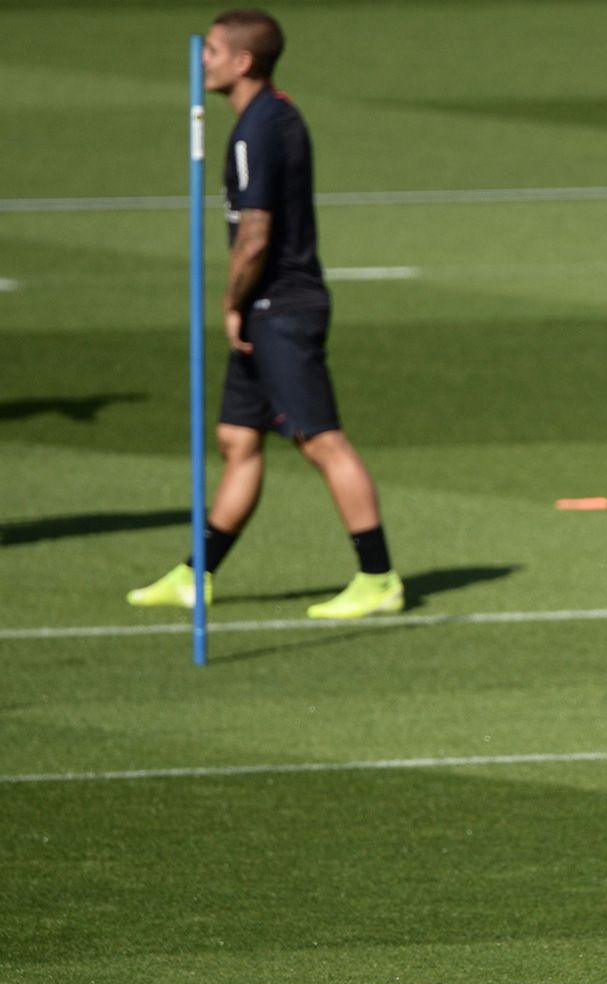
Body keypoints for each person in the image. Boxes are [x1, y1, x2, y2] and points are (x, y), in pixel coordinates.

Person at [128, 8, 402, 619]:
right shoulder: (275, 113)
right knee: (237, 437)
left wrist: (231, 304)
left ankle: (379, 576)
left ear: (242, 61)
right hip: (267, 306)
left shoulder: (258, 129)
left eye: (215, 50)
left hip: (279, 306)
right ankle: (196, 574)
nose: (205, 58)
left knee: (320, 441)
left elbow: (254, 234)